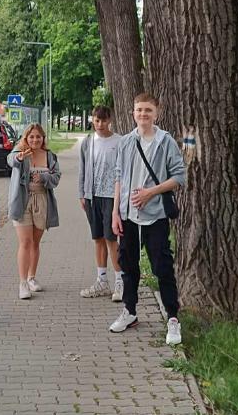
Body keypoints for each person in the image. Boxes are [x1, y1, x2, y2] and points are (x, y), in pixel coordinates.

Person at [110, 93, 186, 346]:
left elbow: (179, 177)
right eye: (139, 110)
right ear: (133, 113)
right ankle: (130, 311)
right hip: (128, 215)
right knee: (128, 265)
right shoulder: (126, 142)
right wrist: (115, 212)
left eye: (148, 110)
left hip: (156, 216)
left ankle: (172, 318)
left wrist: (150, 193)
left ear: (156, 113)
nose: (143, 114)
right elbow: (119, 177)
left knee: (162, 266)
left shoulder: (166, 142)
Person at [7, 122, 61, 299]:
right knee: (25, 242)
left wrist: (44, 177)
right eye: (31, 137)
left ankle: (32, 277)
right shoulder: (20, 152)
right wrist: (19, 158)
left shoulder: (50, 156)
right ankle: (22, 283)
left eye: (38, 137)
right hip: (22, 201)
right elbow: (11, 160)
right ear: (26, 138)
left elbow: (56, 177)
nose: (35, 140)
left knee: (35, 243)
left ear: (43, 138)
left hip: (42, 200)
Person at [78, 105, 123, 301]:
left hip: (111, 197)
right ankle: (102, 281)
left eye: (104, 120)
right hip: (92, 196)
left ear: (110, 120)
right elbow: (82, 168)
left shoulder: (119, 141)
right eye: (97, 120)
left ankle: (121, 282)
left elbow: (123, 171)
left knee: (111, 239)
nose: (100, 124)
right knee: (98, 238)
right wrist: (82, 193)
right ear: (92, 120)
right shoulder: (88, 142)